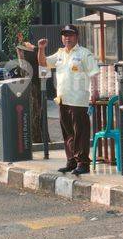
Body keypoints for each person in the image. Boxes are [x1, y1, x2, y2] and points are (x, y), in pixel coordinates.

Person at [36, 24, 99, 175]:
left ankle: (83, 163)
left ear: (77, 37)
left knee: (80, 132)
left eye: (70, 35)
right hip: (63, 99)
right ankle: (71, 161)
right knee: (68, 133)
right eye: (65, 35)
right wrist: (41, 48)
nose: (67, 37)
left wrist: (94, 91)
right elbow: (43, 63)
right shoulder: (60, 54)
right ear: (61, 38)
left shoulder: (84, 53)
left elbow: (94, 73)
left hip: (78, 100)